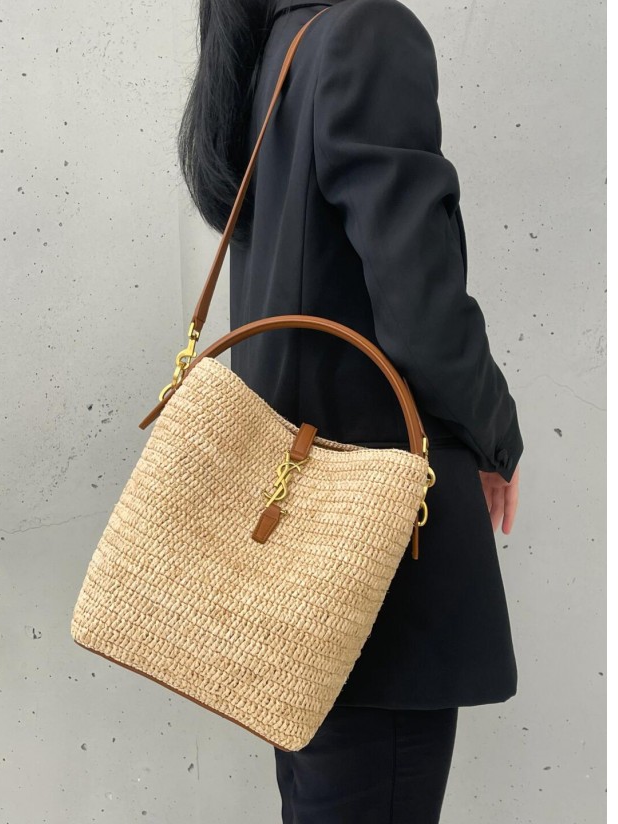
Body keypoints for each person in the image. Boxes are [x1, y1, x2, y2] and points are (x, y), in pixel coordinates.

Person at [177, 0, 524, 820]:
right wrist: (496, 437)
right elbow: (423, 316)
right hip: (370, 566)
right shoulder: (366, 35)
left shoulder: (272, 53)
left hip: (295, 554)